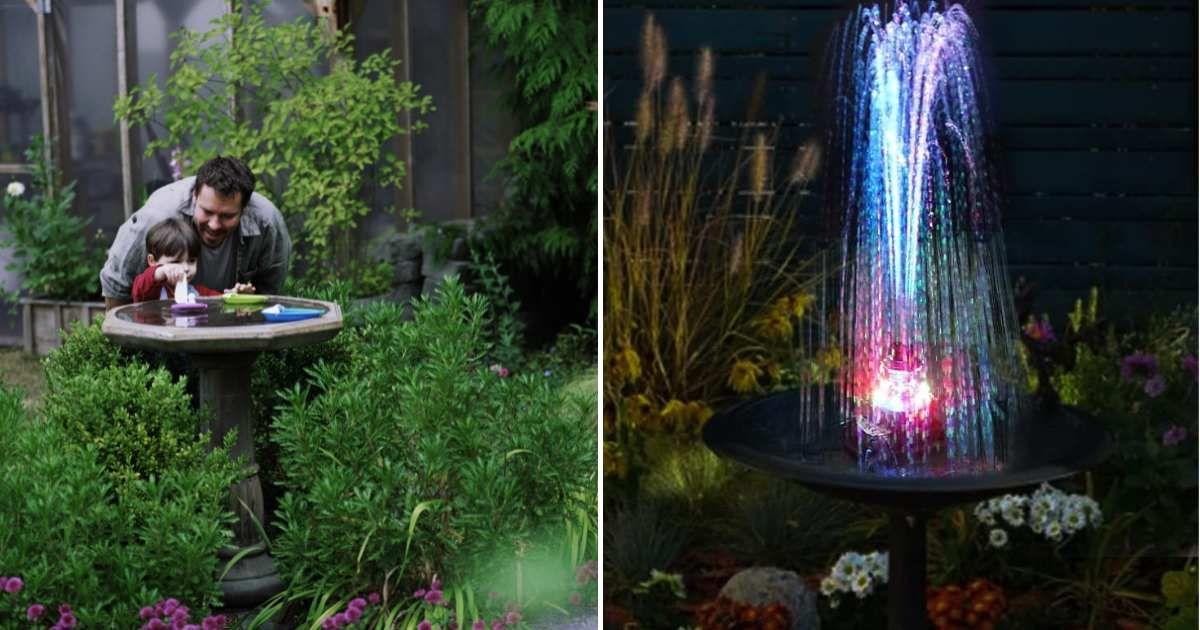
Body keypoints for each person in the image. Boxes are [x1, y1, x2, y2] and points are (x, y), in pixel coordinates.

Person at [100, 156, 291, 310]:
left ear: (244, 208)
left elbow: (270, 291)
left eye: (227, 216)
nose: (215, 225)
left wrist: (245, 299)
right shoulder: (157, 218)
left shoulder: (268, 223)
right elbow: (117, 283)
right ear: (195, 196)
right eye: (207, 212)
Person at [131, 216, 245, 302]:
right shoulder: (151, 292)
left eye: (191, 261)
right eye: (175, 262)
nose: (185, 268)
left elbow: (220, 301)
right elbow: (139, 290)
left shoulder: (198, 293)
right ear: (152, 261)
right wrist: (160, 271)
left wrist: (235, 295)